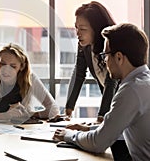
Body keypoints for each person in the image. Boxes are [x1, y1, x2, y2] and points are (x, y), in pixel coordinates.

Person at [53, 23, 150, 160]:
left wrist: (68, 135)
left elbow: (98, 143)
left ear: (119, 57)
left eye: (105, 54)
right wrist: (89, 129)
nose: (104, 60)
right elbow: (117, 129)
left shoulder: (131, 90)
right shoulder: (143, 82)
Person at [0, 43, 59, 121]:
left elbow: (53, 109)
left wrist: (27, 114)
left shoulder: (30, 79)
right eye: (2, 64)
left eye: (13, 66)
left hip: (23, 131)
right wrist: (5, 116)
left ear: (21, 67)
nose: (6, 70)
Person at [64, 1, 118, 123]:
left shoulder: (113, 44)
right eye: (76, 28)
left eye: (82, 29)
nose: (77, 33)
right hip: (112, 109)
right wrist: (68, 110)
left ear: (97, 29)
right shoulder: (84, 46)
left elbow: (111, 83)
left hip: (126, 103)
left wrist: (101, 117)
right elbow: (79, 74)